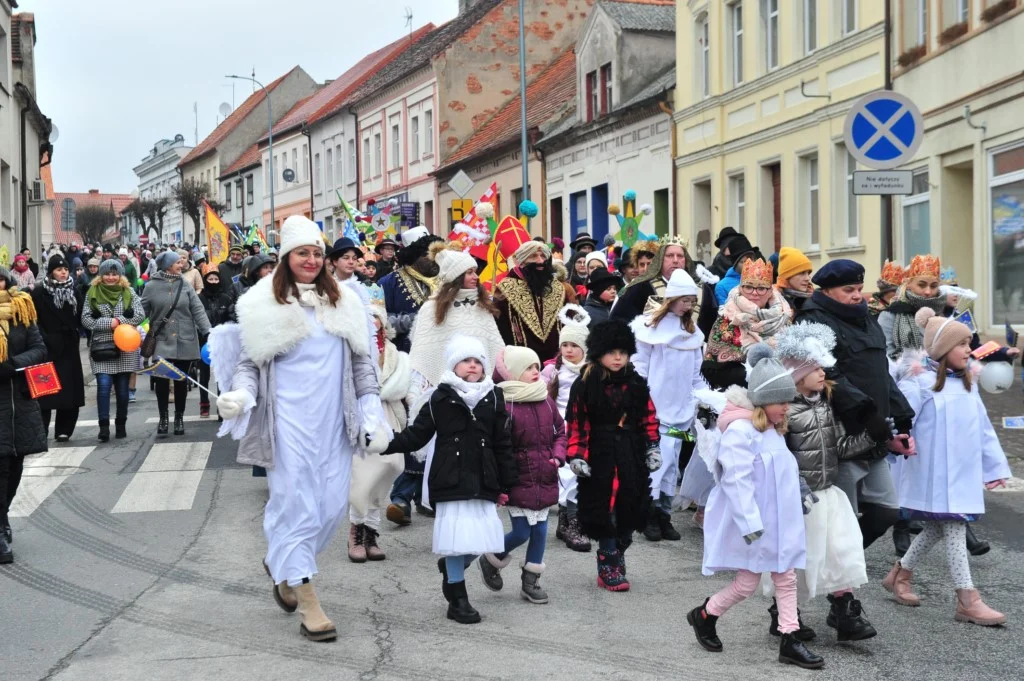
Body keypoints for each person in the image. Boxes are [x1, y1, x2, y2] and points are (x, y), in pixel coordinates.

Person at [216, 215, 386, 642]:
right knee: (296, 505)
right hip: (287, 424)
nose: (310, 260)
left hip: (333, 422)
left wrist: (370, 410)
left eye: (315, 252)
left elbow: (363, 362)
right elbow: (248, 364)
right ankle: (309, 600)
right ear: (285, 258)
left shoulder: (346, 301)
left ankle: (282, 563)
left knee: (329, 508)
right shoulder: (261, 303)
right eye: (301, 253)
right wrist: (239, 396)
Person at [686, 347, 823, 669]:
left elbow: (785, 470)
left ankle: (789, 638)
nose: (786, 408)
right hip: (755, 521)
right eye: (781, 402)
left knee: (785, 575)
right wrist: (749, 521)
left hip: (780, 518)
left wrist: (800, 492)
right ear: (763, 402)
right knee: (748, 583)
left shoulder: (774, 431)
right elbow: (736, 480)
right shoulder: (740, 432)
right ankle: (705, 614)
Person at [372, 336, 518, 624]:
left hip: (484, 476)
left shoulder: (494, 395)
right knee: (455, 540)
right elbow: (418, 434)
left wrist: (508, 481)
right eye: (466, 361)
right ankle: (457, 596)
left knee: (481, 538)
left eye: (477, 361)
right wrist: (385, 442)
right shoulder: (440, 396)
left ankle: (453, 570)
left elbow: (503, 441)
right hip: (451, 476)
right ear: (454, 365)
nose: (472, 366)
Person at [885, 309, 1012, 626]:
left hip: (962, 473)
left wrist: (994, 467)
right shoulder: (920, 385)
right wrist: (895, 444)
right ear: (942, 349)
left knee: (937, 527)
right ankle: (967, 599)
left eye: (970, 344)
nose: (969, 350)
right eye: (962, 344)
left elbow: (983, 429)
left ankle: (900, 574)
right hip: (932, 474)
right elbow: (899, 423)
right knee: (953, 526)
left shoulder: (968, 384)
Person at [795, 260, 917, 549]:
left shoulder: (866, 318)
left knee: (886, 510)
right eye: (848, 289)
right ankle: (838, 581)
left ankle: (840, 562)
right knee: (842, 515)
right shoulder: (812, 320)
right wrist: (866, 411)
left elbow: (881, 372)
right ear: (826, 291)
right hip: (841, 432)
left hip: (873, 430)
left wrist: (901, 416)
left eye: (860, 289)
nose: (856, 295)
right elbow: (828, 375)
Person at [775, 323, 878, 642]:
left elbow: (840, 448)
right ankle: (783, 615)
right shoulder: (784, 411)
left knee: (839, 550)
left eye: (822, 366)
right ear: (797, 374)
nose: (823, 372)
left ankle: (845, 611)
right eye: (815, 367)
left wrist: (872, 438)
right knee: (800, 559)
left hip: (830, 494)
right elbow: (778, 456)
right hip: (801, 500)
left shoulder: (825, 405)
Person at [390, 247, 504, 525]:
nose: (475, 276)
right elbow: (424, 348)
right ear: (454, 277)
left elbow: (494, 345)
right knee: (425, 437)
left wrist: (505, 372)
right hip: (441, 384)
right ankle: (402, 498)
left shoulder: (483, 307)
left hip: (477, 387)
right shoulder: (432, 308)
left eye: (475, 272)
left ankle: (444, 497)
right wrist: (421, 382)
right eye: (469, 272)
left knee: (464, 444)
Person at [565, 319, 659, 592]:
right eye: (611, 352)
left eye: (623, 352)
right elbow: (577, 423)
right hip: (600, 451)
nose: (618, 358)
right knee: (604, 509)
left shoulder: (636, 382)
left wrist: (653, 446)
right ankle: (608, 563)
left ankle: (618, 550)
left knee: (632, 505)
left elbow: (648, 417)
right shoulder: (585, 382)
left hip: (631, 449)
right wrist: (577, 456)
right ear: (599, 353)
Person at [477, 346, 567, 604]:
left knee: (540, 530)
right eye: (528, 368)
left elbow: (560, 431)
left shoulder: (546, 399)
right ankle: (492, 557)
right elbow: (498, 444)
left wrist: (557, 457)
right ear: (514, 373)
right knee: (522, 532)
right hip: (518, 477)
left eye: (537, 366)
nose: (536, 372)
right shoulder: (505, 403)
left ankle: (531, 580)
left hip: (544, 474)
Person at [630, 270, 706, 543]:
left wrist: (706, 397)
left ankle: (664, 515)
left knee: (672, 463)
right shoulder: (650, 328)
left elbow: (696, 374)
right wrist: (640, 399)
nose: (688, 306)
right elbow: (640, 367)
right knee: (657, 462)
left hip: (682, 412)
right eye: (684, 300)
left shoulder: (691, 332)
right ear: (671, 298)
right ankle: (649, 514)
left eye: (691, 301)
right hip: (656, 409)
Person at [347, 304, 410, 563]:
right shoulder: (353, 351)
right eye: (368, 318)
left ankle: (371, 532)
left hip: (389, 416)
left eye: (377, 319)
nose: (373, 323)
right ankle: (356, 532)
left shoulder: (396, 354)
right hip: (362, 414)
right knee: (362, 474)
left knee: (388, 469)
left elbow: (404, 383)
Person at [0, 267, 47, 563]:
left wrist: (13, 363)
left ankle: (3, 515)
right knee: (1, 464)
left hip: (19, 400)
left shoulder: (21, 308)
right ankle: (1, 529)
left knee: (15, 465)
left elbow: (39, 349)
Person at [142, 250, 211, 436]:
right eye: (178, 263)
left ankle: (179, 418)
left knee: (181, 381)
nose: (182, 265)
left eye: (182, 263)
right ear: (167, 266)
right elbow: (141, 312)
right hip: (161, 340)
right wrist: (127, 324)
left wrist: (209, 332)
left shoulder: (186, 285)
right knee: (162, 381)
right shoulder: (151, 286)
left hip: (185, 339)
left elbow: (198, 310)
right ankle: (163, 418)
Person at [542, 305, 592, 552]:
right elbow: (539, 395)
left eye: (574, 345)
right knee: (567, 474)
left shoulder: (591, 371)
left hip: (584, 427)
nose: (569, 350)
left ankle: (568, 521)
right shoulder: (553, 370)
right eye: (565, 345)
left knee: (581, 473)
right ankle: (571, 522)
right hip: (559, 427)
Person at [703, 258, 791, 390]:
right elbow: (711, 370)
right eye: (749, 287)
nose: (754, 293)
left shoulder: (783, 316)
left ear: (770, 291)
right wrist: (756, 376)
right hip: (740, 396)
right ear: (741, 288)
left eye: (761, 288)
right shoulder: (728, 317)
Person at [31, 254, 85, 442]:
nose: (62, 273)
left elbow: (81, 318)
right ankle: (41, 430)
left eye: (65, 269)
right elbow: (33, 319)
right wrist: (42, 338)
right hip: (46, 347)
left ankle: (64, 429)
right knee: (44, 391)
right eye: (58, 270)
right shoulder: (38, 293)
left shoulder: (74, 292)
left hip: (69, 346)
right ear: (51, 272)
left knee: (69, 392)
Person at [494, 241, 578, 359]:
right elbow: (499, 328)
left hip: (557, 361)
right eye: (533, 256)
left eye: (543, 256)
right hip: (521, 362)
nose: (540, 261)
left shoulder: (558, 287)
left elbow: (569, 322)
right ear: (521, 262)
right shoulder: (505, 288)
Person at [378, 227, 441, 352]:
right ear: (414, 257)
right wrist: (416, 319)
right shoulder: (388, 283)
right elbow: (380, 321)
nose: (433, 258)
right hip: (405, 356)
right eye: (427, 254)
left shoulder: (447, 279)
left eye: (435, 253)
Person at [611, 237, 696, 321]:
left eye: (680, 256)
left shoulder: (701, 290)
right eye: (669, 256)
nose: (675, 260)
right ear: (660, 260)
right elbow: (619, 323)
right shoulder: (638, 288)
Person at [878, 254, 946, 360]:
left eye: (933, 286)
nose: (928, 292)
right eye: (921, 285)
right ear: (909, 284)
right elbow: (885, 356)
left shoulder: (944, 313)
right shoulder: (891, 315)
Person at [696, 234, 757, 338]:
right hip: (736, 334)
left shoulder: (760, 281)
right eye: (743, 262)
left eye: (751, 261)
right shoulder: (722, 286)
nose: (748, 265)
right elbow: (725, 316)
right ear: (735, 264)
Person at [197, 269, 235, 418]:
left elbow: (231, 317)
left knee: (222, 375)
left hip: (222, 339)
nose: (213, 282)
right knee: (204, 375)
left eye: (215, 279)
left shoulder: (226, 298)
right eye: (210, 279)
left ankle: (222, 405)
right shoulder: (200, 298)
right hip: (203, 340)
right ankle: (204, 404)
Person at [775, 247, 813, 314]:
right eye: (802, 273)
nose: (807, 278)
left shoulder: (814, 299)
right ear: (787, 276)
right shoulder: (774, 301)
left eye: (808, 273)